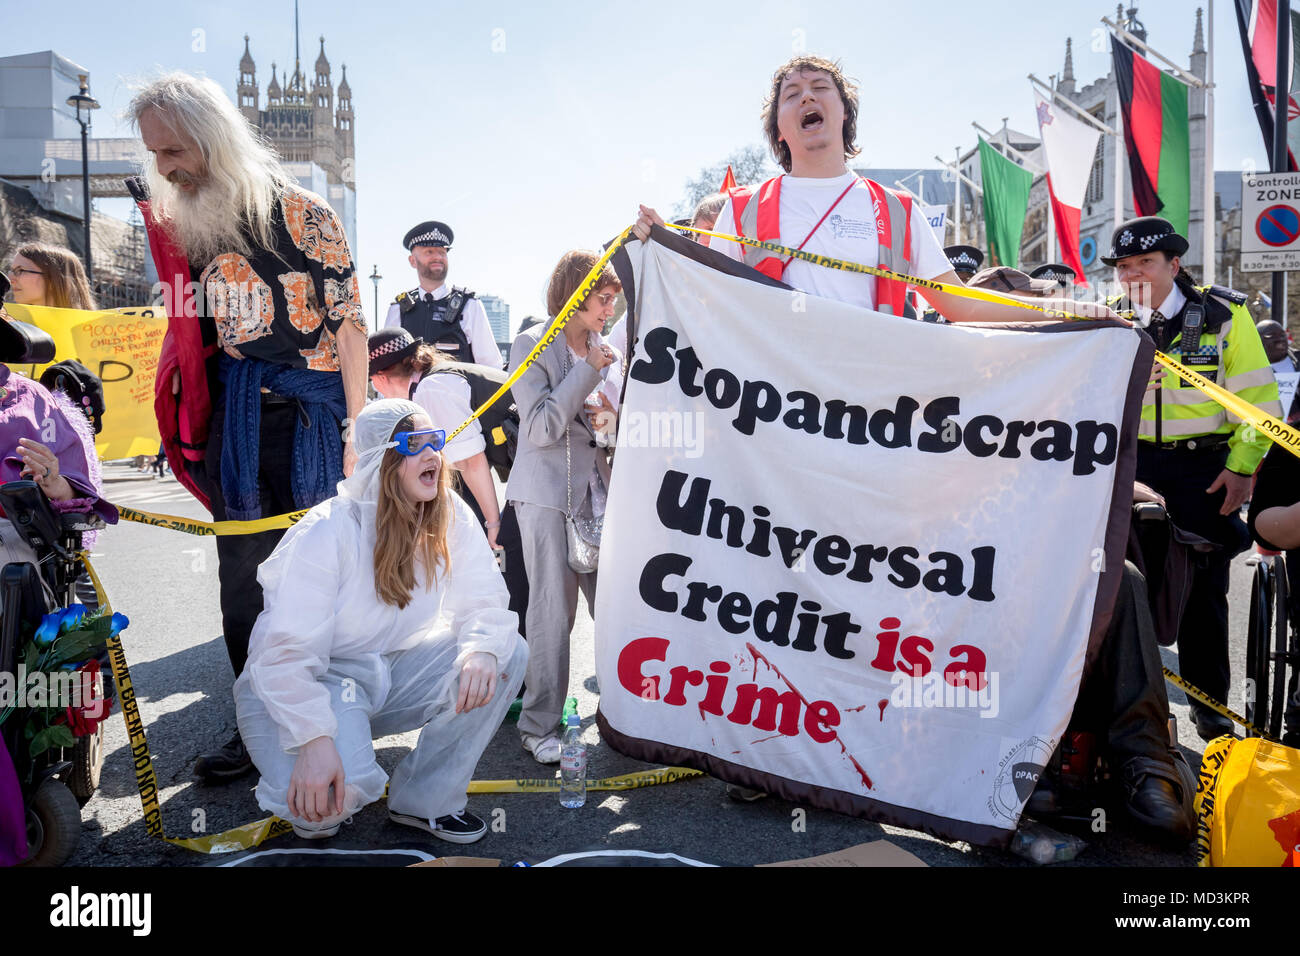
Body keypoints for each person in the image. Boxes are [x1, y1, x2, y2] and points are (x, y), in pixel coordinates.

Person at [128, 71, 368, 782]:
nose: (165, 168)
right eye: (155, 154)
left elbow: (350, 328)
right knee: (243, 583)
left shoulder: (305, 213)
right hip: (239, 423)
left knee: (317, 578)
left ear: (212, 138)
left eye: (174, 151)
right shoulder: (191, 225)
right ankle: (256, 722)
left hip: (312, 421)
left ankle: (330, 724)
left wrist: (357, 432)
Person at [634, 55, 1119, 326]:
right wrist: (659, 251)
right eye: (791, 94)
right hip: (769, 424)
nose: (807, 95)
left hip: (866, 423)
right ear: (779, 128)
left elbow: (961, 304)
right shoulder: (741, 211)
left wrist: (1072, 312)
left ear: (844, 112)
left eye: (820, 87)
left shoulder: (898, 211)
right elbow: (705, 309)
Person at [234, 399, 527, 842]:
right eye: (414, 444)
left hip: (390, 671)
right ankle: (322, 752)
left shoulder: (447, 511)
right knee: (323, 814)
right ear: (382, 460)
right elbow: (284, 653)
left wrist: (482, 650)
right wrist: (312, 740)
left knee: (506, 652)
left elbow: (485, 598)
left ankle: (426, 800)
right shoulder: (328, 530)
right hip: (316, 683)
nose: (433, 455)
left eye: (435, 441)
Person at [1104, 215, 1281, 742]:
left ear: (1174, 264)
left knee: (1205, 592)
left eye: (1145, 262)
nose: (1133, 274)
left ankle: (1210, 709)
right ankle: (1130, 712)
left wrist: (1241, 468)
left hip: (1206, 471)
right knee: (1124, 588)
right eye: (1123, 266)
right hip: (1132, 468)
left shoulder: (1224, 315)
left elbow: (1257, 401)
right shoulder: (1109, 319)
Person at [506, 250, 621, 764]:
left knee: (616, 608)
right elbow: (540, 427)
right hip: (547, 495)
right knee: (554, 612)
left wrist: (610, 419)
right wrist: (589, 374)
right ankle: (538, 727)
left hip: (599, 493)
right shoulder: (533, 343)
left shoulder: (603, 348)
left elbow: (600, 429)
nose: (610, 310)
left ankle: (627, 715)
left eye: (614, 300)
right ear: (577, 296)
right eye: (604, 299)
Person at [368, 327, 530, 638]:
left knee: (508, 557)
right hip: (537, 459)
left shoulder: (432, 390)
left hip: (541, 464)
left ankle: (515, 653)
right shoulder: (435, 379)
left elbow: (470, 462)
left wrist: (493, 524)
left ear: (381, 378)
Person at [383, 222, 502, 369]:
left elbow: (491, 366)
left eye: (442, 252)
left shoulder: (469, 306)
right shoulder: (398, 310)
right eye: (429, 252)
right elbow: (387, 368)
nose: (438, 257)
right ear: (413, 261)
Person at [6, 243, 97, 311]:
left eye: (20, 270)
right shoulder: (12, 324)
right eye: (12, 271)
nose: (10, 279)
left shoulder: (96, 328)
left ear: (53, 279)